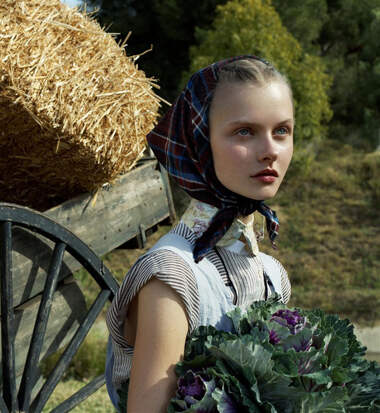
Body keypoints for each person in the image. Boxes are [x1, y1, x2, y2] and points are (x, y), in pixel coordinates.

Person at [104, 55, 294, 412]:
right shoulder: (172, 276)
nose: (270, 150)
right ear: (199, 142)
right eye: (245, 132)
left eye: (281, 130)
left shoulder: (273, 276)